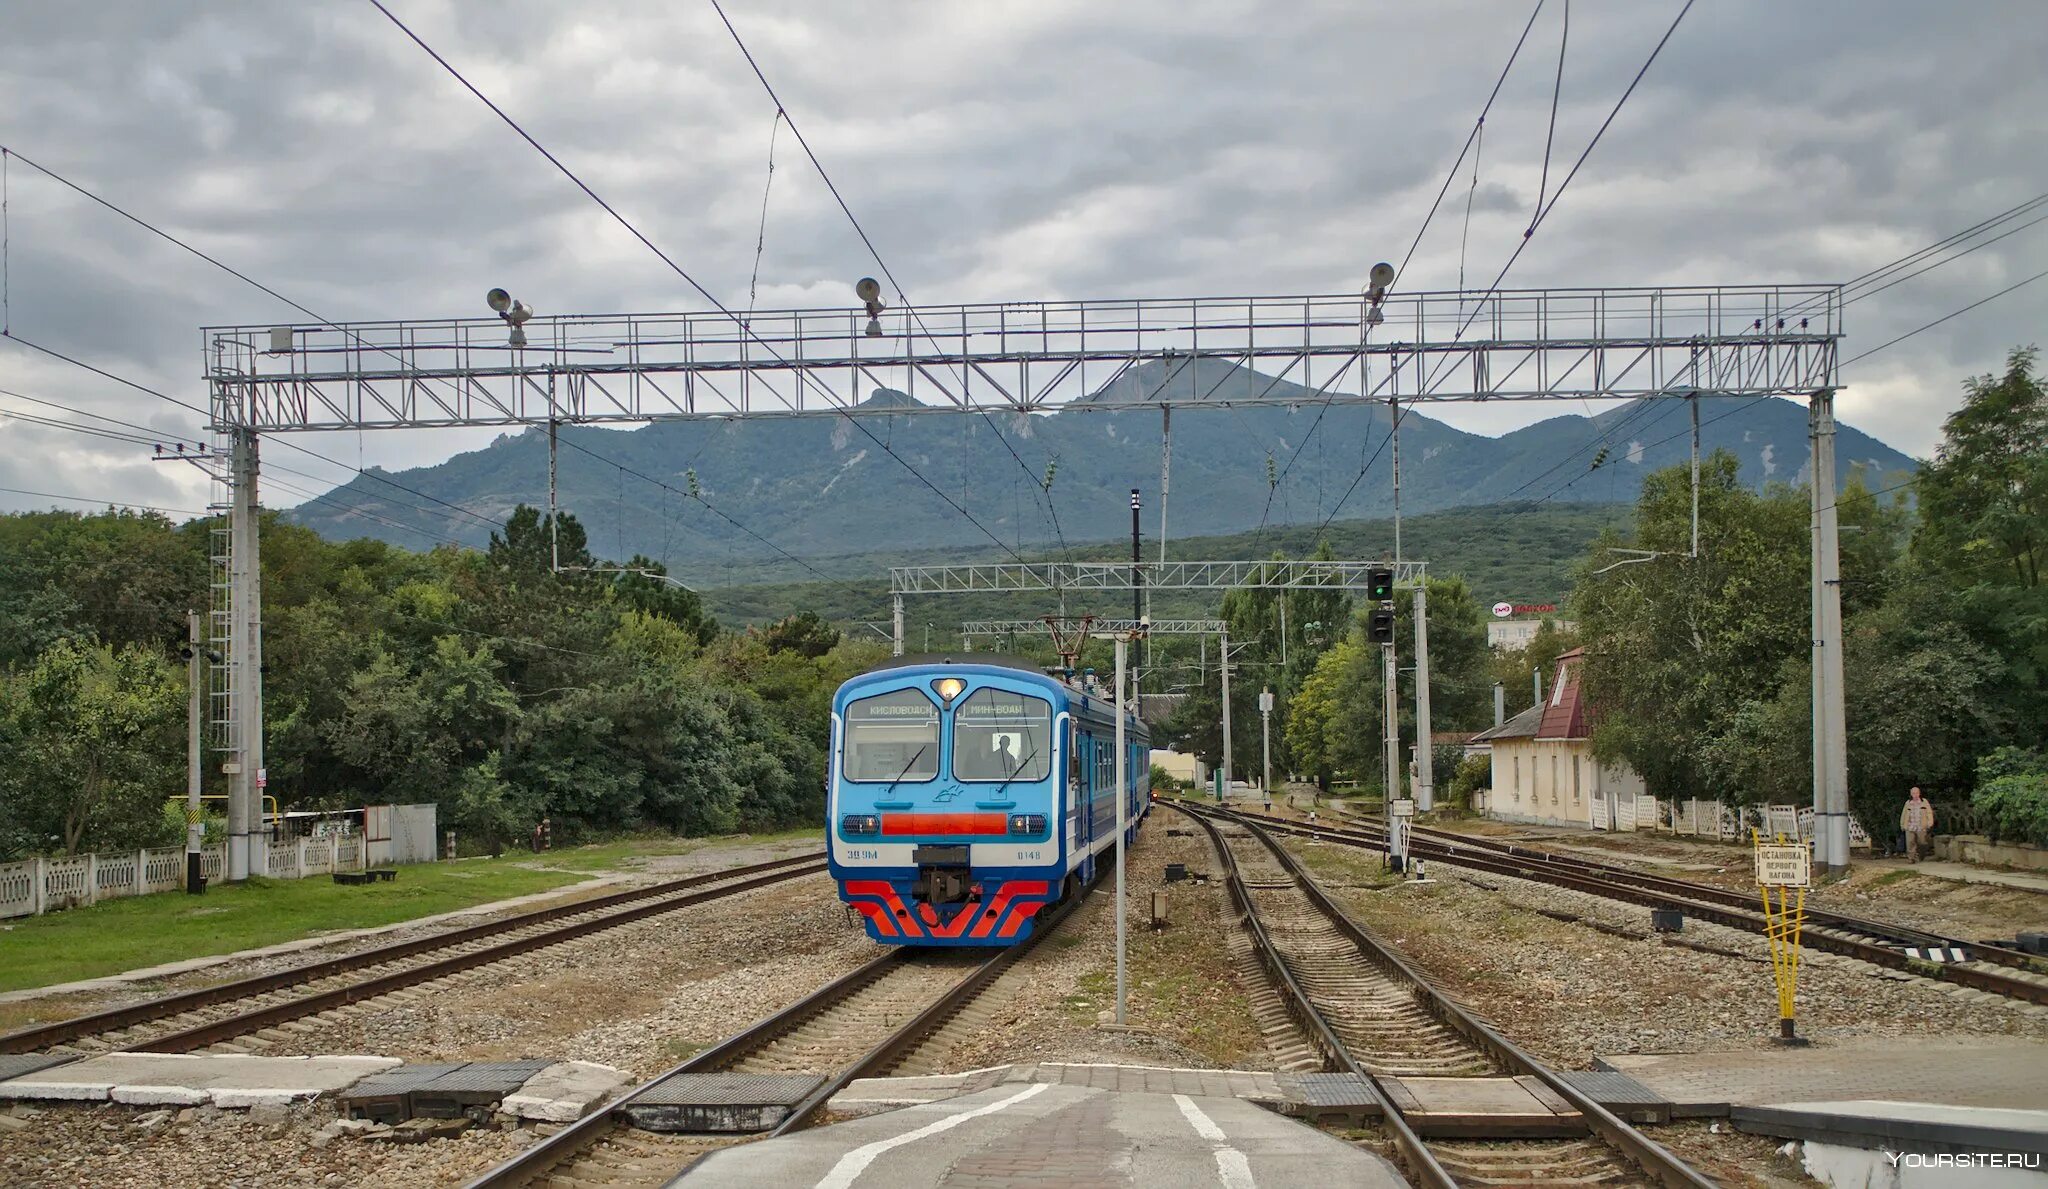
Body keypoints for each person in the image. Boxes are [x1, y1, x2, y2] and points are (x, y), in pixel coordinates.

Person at [1900, 786, 1936, 863]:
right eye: (1913, 793)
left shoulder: (1924, 802)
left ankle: (1921, 855)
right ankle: (1911, 858)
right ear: (1911, 794)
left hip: (1921, 826)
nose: (1915, 794)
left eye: (1916, 793)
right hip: (1910, 826)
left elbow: (1929, 812)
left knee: (1922, 842)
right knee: (1910, 842)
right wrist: (1902, 824)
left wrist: (1930, 822)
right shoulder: (1908, 803)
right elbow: (1904, 814)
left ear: (1919, 793)